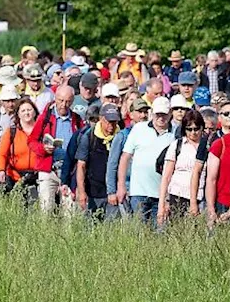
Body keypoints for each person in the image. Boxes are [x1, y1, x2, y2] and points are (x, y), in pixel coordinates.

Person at [119, 97, 175, 227]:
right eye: (158, 114)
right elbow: (125, 157)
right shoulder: (139, 129)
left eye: (164, 114)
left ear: (170, 113)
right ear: (152, 113)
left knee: (160, 233)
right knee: (138, 232)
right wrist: (121, 186)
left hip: (161, 194)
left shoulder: (174, 134)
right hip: (139, 191)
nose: (161, 118)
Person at [28, 86, 84, 214]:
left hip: (69, 172)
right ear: (55, 99)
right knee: (46, 209)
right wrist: (43, 149)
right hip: (49, 169)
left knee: (70, 212)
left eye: (68, 101)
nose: (64, 105)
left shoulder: (77, 120)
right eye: (60, 100)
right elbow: (31, 141)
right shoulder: (45, 118)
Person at [157, 113, 206, 227]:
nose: (193, 132)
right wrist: (162, 204)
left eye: (196, 129)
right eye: (189, 129)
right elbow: (166, 176)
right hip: (177, 195)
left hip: (200, 196)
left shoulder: (207, 146)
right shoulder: (177, 145)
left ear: (202, 127)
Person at [75, 103, 122, 219]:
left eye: (114, 122)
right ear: (101, 119)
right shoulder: (88, 137)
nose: (112, 125)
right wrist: (81, 192)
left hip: (113, 191)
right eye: (109, 121)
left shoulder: (121, 137)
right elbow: (81, 166)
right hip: (93, 191)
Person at [0, 98, 41, 203]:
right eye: (23, 111)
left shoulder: (42, 131)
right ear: (18, 114)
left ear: (35, 111)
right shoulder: (11, 132)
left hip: (38, 177)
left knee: (35, 207)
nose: (27, 113)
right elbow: (2, 153)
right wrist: (1, 170)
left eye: (29, 110)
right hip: (15, 176)